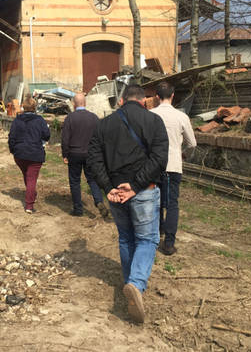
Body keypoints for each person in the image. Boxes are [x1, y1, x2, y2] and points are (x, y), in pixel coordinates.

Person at [88, 84, 168, 323]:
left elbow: (94, 158)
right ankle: (135, 284)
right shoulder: (154, 121)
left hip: (116, 193)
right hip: (143, 191)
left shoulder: (103, 124)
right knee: (147, 239)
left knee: (126, 237)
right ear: (143, 101)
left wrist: (108, 186)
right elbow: (159, 158)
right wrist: (135, 185)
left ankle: (130, 284)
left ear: (121, 101)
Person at [151, 82, 197, 256]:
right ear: (173, 96)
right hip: (173, 165)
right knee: (172, 205)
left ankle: (156, 235)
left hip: (154, 165)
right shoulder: (181, 116)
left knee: (155, 202)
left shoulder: (150, 115)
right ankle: (169, 243)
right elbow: (192, 143)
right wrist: (184, 154)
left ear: (156, 97)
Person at [61, 93, 108, 218]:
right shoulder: (94, 118)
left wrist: (65, 154)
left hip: (74, 153)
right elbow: (101, 137)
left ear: (74, 104)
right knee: (92, 179)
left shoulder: (70, 118)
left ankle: (78, 209)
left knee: (75, 181)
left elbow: (65, 138)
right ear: (85, 103)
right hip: (90, 154)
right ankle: (98, 201)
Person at [8, 96, 50, 214]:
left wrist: (12, 150)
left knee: (28, 176)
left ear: (23, 107)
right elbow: (47, 136)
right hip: (35, 154)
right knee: (31, 179)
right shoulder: (40, 120)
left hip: (20, 154)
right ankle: (29, 205)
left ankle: (31, 193)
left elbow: (12, 137)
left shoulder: (17, 120)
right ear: (34, 107)